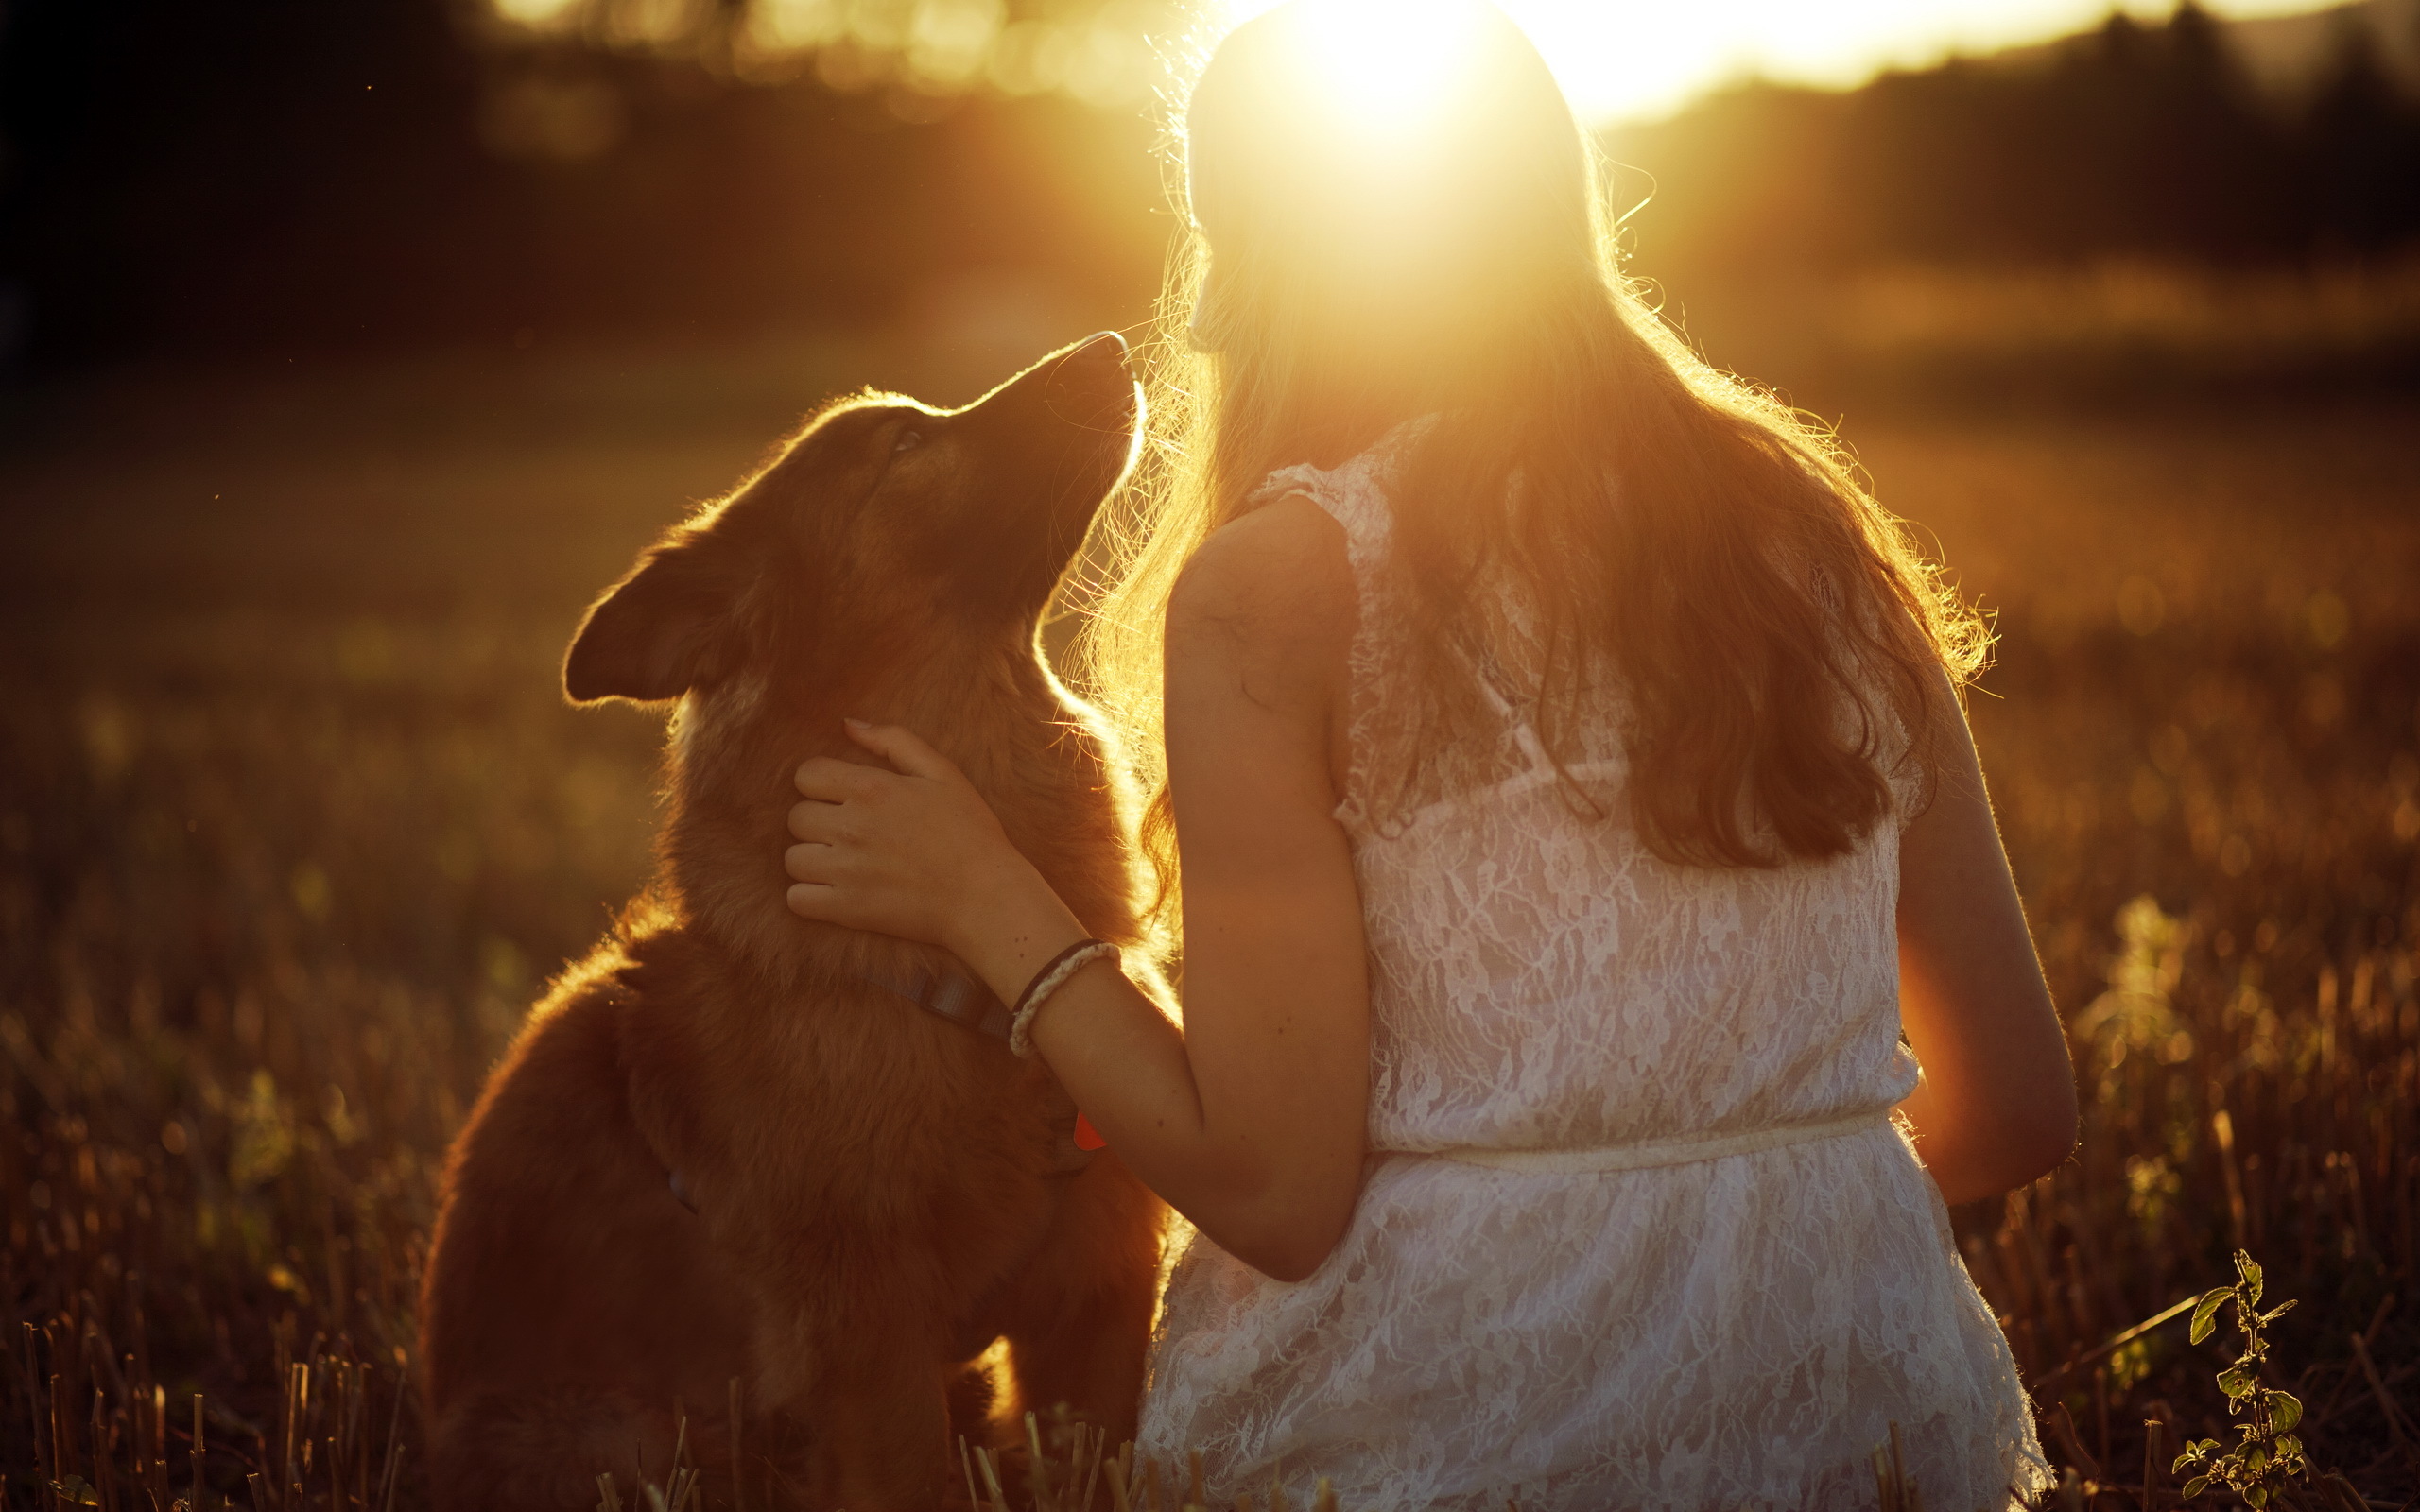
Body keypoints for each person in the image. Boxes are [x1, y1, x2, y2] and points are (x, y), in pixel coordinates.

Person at [777, 2, 2079, 1506]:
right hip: (1870, 1429)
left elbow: (1276, 1194)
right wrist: (1725, 1196)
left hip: (1453, 1436)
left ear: (1293, 256)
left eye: (1216, 251)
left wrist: (988, 903)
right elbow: (2018, 1110)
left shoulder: (1287, 585)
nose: (1197, 326)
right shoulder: (1816, 535)